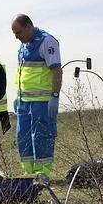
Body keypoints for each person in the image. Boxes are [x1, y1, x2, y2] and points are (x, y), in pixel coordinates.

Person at [12, 14, 62, 178]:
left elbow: (56, 70)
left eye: (18, 32)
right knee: (23, 137)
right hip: (23, 102)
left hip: (41, 102)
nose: (16, 37)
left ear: (28, 26)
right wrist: (17, 97)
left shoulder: (47, 42)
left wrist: (54, 96)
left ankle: (42, 175)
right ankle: (28, 174)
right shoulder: (24, 46)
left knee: (41, 138)